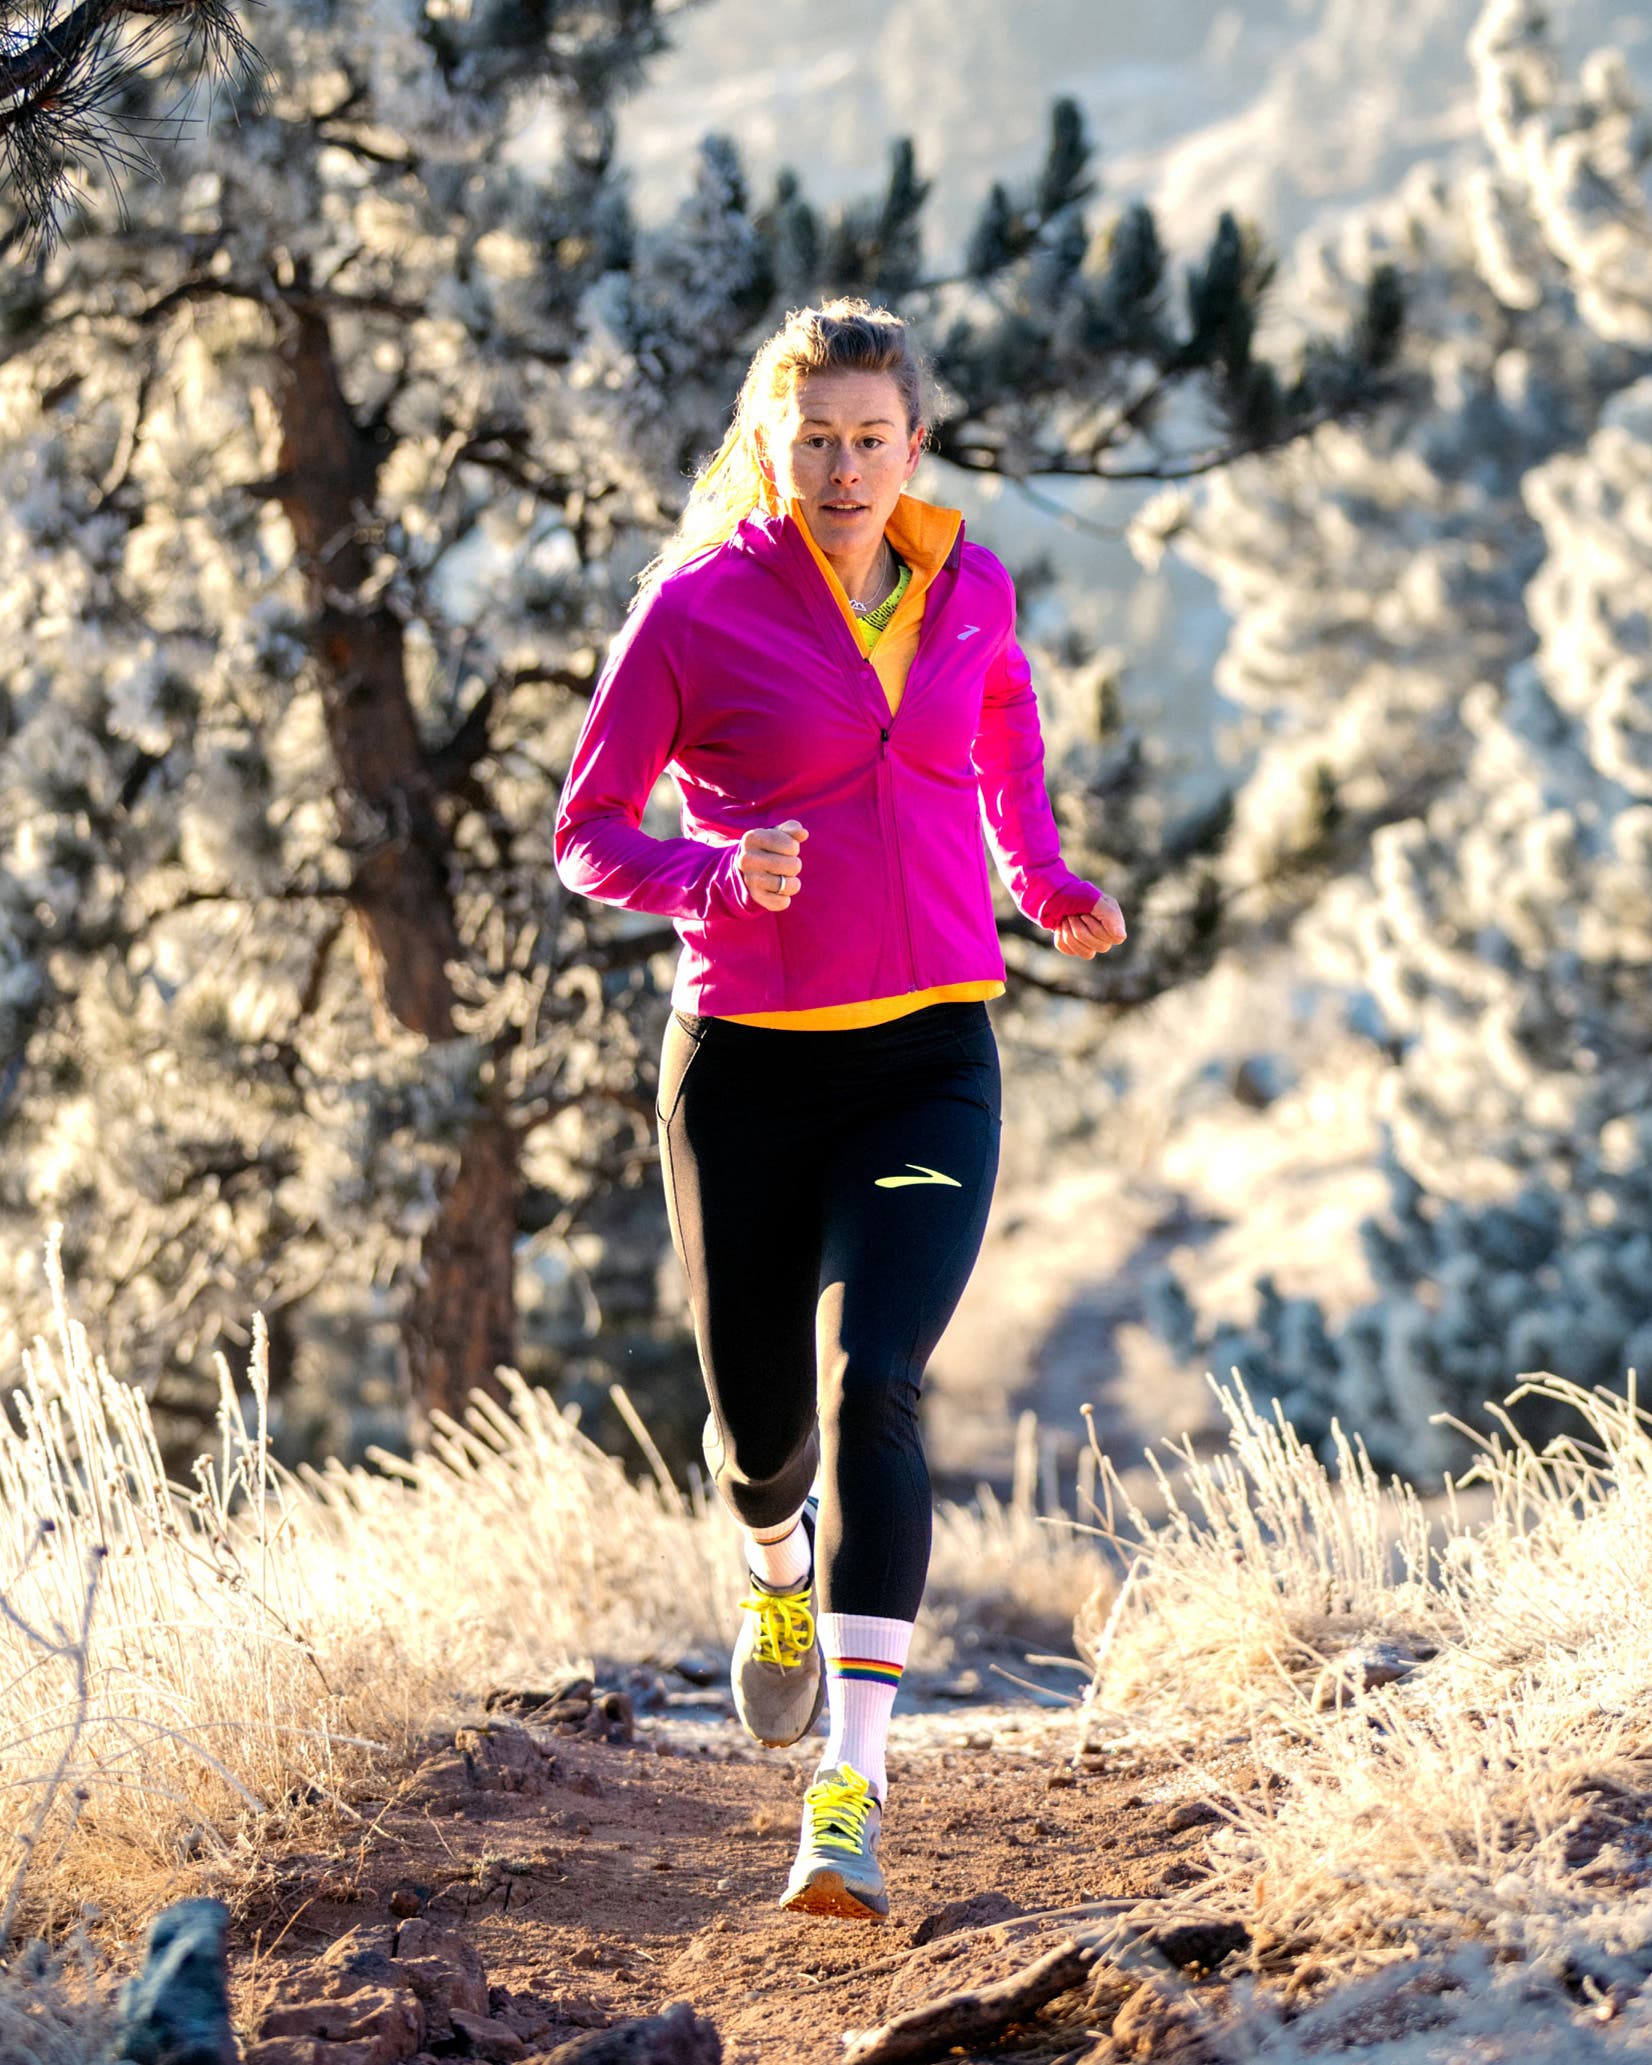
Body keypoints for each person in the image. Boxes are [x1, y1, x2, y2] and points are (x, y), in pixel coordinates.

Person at [553, 298, 1127, 1921]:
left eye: (873, 437)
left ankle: (849, 1789)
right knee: (760, 1432)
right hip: (745, 1062)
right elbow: (587, 830)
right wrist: (711, 871)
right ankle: (771, 1572)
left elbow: (999, 736)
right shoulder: (693, 613)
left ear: (914, 444)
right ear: (771, 443)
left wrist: (1043, 877)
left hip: (931, 1051)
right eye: (816, 438)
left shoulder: (970, 584)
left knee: (876, 1381)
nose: (847, 466)